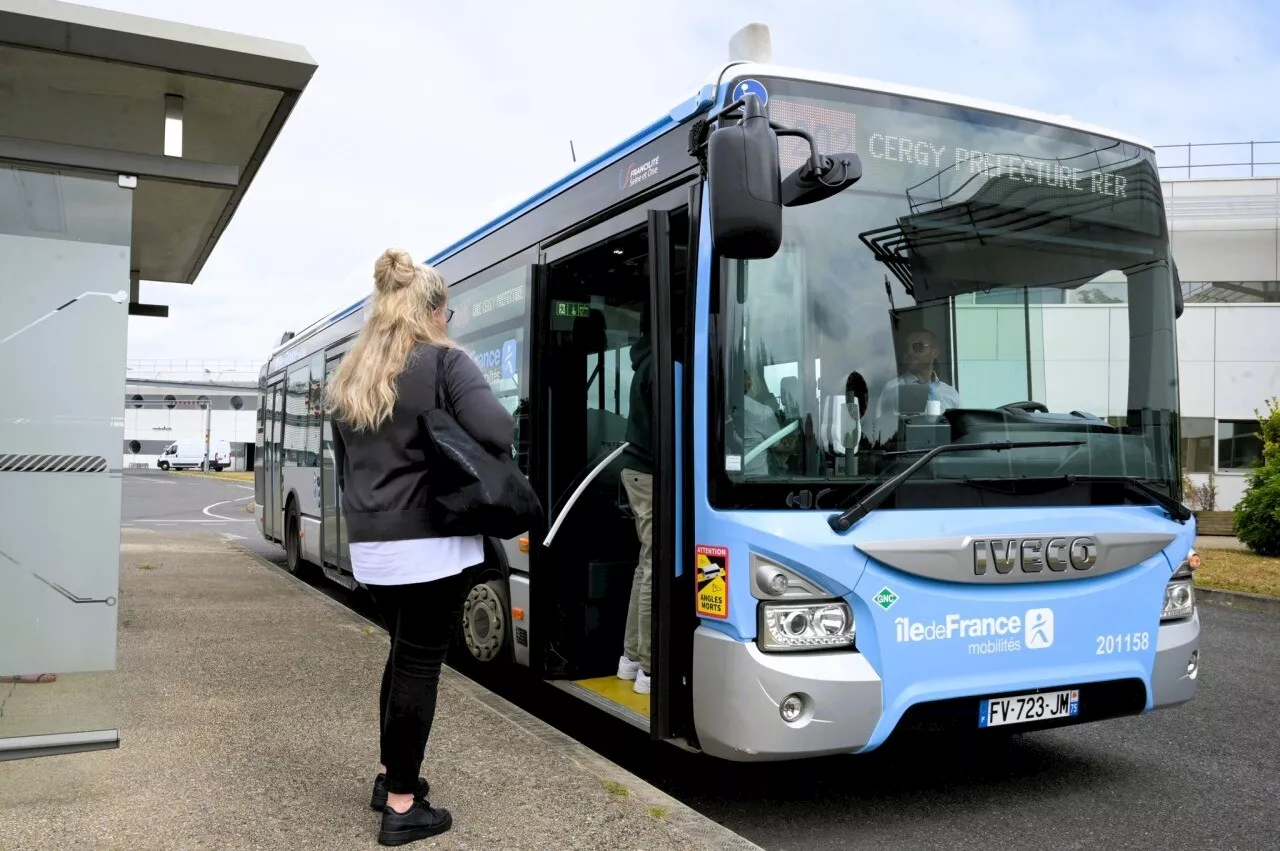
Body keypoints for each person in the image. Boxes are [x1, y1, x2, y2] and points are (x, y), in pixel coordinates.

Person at [326, 248, 514, 847]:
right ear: (434, 311)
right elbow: (498, 430)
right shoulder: (442, 364)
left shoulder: (353, 375)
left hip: (372, 548)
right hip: (430, 544)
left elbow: (344, 464)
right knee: (418, 665)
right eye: (448, 311)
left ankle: (389, 778)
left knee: (401, 654)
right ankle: (403, 808)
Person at [617, 306, 654, 695]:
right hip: (649, 471)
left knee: (646, 563)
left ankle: (631, 659)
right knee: (654, 563)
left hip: (637, 469)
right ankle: (648, 666)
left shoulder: (645, 361)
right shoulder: (660, 364)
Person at [869, 328, 961, 445]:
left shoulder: (950, 393)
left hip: (943, 457)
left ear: (935, 353)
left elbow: (960, 432)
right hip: (910, 459)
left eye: (918, 346)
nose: (910, 352)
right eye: (906, 348)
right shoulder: (894, 390)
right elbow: (881, 433)